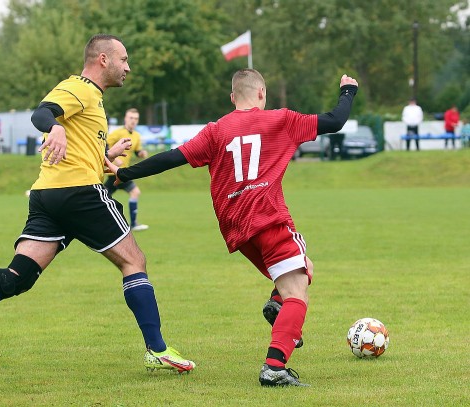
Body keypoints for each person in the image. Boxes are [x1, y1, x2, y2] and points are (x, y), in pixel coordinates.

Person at [0, 34, 195, 374]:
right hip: (78, 194)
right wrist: (55, 128)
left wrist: (106, 155)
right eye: (124, 59)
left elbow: (75, 148)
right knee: (134, 261)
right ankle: (157, 349)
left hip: (48, 195)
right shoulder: (80, 87)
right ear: (103, 59)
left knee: (19, 276)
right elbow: (42, 112)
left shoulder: (94, 100)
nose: (128, 67)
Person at [105, 69, 358, 387]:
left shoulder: (215, 131)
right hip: (268, 218)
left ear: (232, 97)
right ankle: (274, 367)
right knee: (298, 293)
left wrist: (125, 173)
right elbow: (335, 121)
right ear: (262, 93)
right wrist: (348, 91)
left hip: (236, 228)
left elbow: (171, 158)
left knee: (304, 267)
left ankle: (277, 304)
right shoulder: (280, 119)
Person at [104, 108, 149, 231]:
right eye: (131, 118)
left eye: (136, 118)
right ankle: (133, 224)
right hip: (115, 172)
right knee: (134, 192)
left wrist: (141, 153)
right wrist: (113, 159)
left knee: (104, 197)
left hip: (123, 172)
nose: (133, 121)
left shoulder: (136, 135)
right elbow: (103, 146)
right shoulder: (117, 133)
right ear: (125, 118)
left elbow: (137, 151)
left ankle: (132, 223)